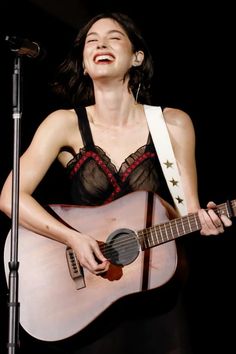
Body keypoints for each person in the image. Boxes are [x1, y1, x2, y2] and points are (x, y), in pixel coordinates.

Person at [0, 11, 232, 354]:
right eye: (92, 41)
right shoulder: (63, 124)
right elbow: (10, 197)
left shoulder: (173, 124)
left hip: (157, 298)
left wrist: (207, 221)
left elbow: (189, 211)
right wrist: (73, 239)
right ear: (83, 63)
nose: (101, 44)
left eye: (114, 37)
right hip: (89, 303)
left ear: (136, 57)